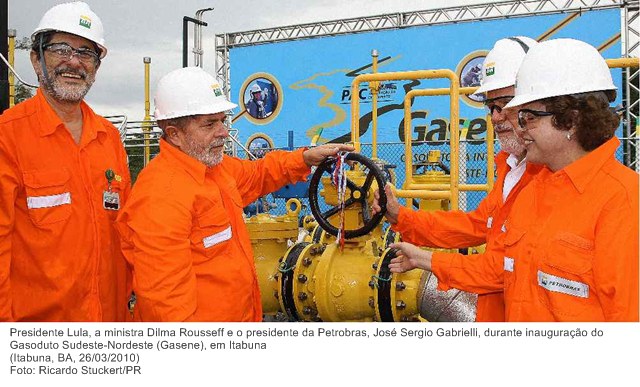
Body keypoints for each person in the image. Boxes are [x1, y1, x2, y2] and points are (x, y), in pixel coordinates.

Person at [388, 38, 639, 321]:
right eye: (491, 106)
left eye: (524, 113)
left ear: (570, 118)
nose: (503, 119)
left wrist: (426, 259)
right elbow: (495, 250)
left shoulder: (623, 201)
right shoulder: (531, 186)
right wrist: (404, 220)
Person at [116, 67, 352, 322]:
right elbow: (167, 306)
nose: (223, 132)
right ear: (174, 134)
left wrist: (305, 158)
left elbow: (260, 173)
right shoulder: (160, 196)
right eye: (209, 124)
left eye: (222, 121)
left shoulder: (214, 168)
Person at [372, 37, 541, 322]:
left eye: (507, 103)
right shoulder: (514, 169)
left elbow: (500, 270)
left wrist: (425, 259)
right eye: (491, 106)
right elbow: (475, 225)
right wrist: (400, 215)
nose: (497, 117)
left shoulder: (549, 179)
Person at [0, 2, 131, 321]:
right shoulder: (8, 136)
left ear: (96, 68)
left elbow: (125, 231)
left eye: (86, 53)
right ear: (36, 59)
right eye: (61, 49)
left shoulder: (108, 137)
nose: (73, 62)